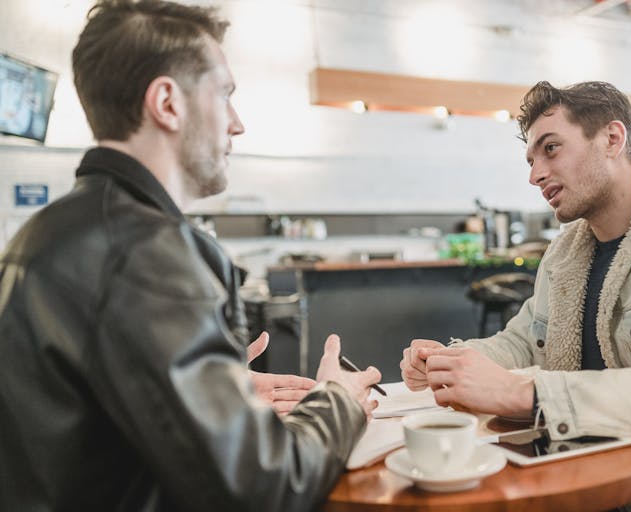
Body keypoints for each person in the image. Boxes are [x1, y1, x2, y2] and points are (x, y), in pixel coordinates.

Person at [0, 1, 381, 511]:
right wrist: (337, 401)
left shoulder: (45, 233)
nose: (238, 124)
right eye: (225, 94)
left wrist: (209, 394)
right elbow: (263, 486)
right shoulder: (145, 252)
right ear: (168, 103)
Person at [401, 81, 631, 511]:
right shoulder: (566, 252)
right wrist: (452, 363)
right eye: (531, 159)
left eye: (551, 148)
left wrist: (530, 395)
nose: (535, 174)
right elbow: (524, 341)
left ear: (613, 138)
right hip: (600, 476)